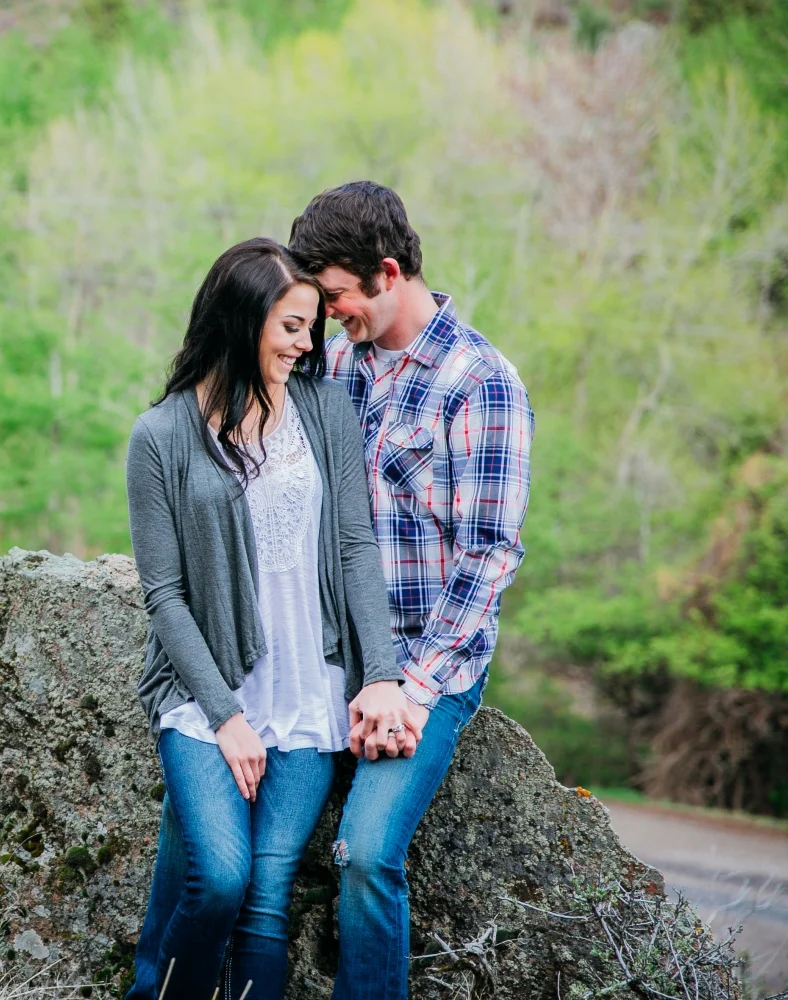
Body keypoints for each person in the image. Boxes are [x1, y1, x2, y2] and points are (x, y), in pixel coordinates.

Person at [124, 238, 401, 1000]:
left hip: (308, 693)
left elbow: (353, 547)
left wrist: (378, 673)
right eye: (289, 328)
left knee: (266, 899)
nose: (306, 344)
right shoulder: (162, 437)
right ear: (242, 322)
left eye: (311, 326)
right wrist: (225, 717)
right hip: (206, 701)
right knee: (217, 878)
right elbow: (164, 596)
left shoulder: (321, 407)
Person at [285, 181, 534, 1000]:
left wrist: (410, 689)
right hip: (334, 652)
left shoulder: (480, 382)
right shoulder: (337, 367)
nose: (329, 317)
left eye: (336, 298)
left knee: (363, 855)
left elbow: (490, 554)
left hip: (431, 663)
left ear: (387, 273)